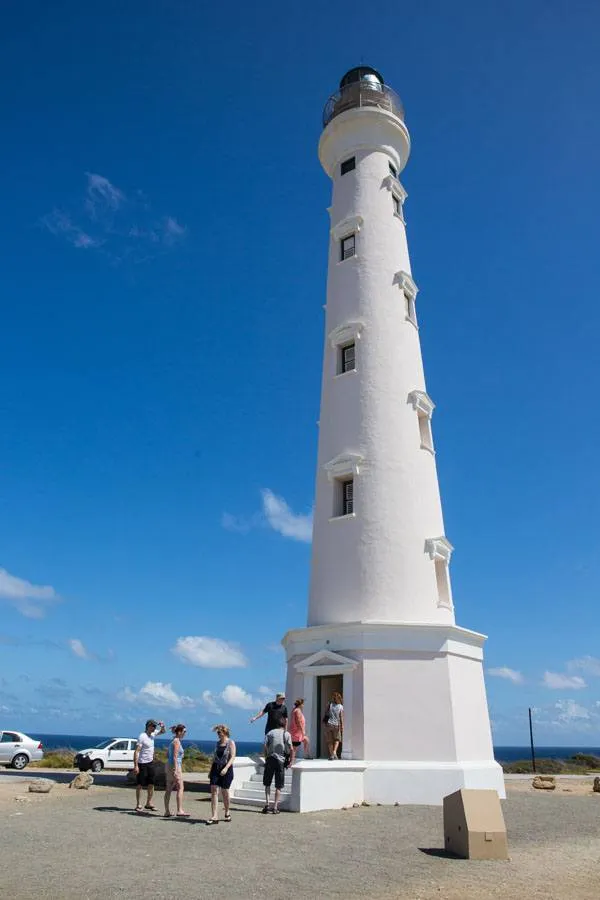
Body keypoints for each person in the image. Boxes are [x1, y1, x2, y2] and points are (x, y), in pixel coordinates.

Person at [133, 718, 166, 812]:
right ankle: (138, 804)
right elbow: (136, 751)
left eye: (155, 726)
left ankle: (149, 803)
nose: (155, 728)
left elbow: (163, 731)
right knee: (140, 784)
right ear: (148, 726)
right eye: (153, 726)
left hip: (150, 763)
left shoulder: (153, 734)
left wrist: (162, 726)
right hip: (142, 763)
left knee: (151, 783)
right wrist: (136, 765)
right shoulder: (142, 736)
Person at [262, 714, 292, 814]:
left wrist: (266, 756)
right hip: (281, 761)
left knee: (267, 783)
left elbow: (265, 745)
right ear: (284, 725)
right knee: (278, 785)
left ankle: (267, 805)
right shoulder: (286, 734)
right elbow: (291, 749)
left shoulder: (270, 733)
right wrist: (291, 761)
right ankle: (275, 807)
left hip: (270, 759)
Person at [207, 724, 236, 824]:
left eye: (219, 732)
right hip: (216, 768)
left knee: (225, 791)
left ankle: (227, 812)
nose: (218, 734)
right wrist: (210, 770)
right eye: (217, 732)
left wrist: (226, 768)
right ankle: (214, 816)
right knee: (214, 790)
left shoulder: (230, 742)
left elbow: (233, 756)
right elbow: (214, 757)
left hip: (226, 769)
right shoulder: (217, 743)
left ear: (225, 732)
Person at [164, 723, 188, 818]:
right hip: (175, 766)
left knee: (169, 788)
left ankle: (167, 811)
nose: (185, 733)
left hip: (169, 765)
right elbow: (174, 756)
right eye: (184, 731)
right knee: (180, 787)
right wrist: (175, 769)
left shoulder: (173, 741)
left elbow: (167, 755)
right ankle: (179, 810)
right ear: (179, 732)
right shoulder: (177, 741)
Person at [323, 691, 344, 760]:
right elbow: (341, 717)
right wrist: (342, 726)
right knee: (337, 739)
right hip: (336, 725)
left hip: (329, 724)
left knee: (329, 741)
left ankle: (332, 755)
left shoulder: (329, 704)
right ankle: (334, 752)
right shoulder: (341, 706)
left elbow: (326, 713)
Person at [290, 698, 311, 762]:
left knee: (306, 740)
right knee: (294, 747)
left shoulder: (295, 710)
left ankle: (306, 755)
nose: (303, 705)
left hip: (296, 731)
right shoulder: (297, 711)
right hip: (297, 732)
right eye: (303, 704)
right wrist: (302, 730)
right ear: (300, 704)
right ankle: (291, 760)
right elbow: (298, 721)